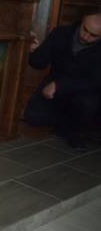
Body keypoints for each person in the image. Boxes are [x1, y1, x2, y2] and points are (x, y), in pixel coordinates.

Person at [24, 12, 101, 150]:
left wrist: (59, 85)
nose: (85, 36)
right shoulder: (61, 33)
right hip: (53, 87)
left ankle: (73, 130)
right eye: (85, 29)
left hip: (82, 92)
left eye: (93, 35)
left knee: (88, 105)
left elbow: (94, 82)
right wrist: (34, 51)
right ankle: (63, 123)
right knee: (33, 117)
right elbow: (39, 63)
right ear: (82, 21)